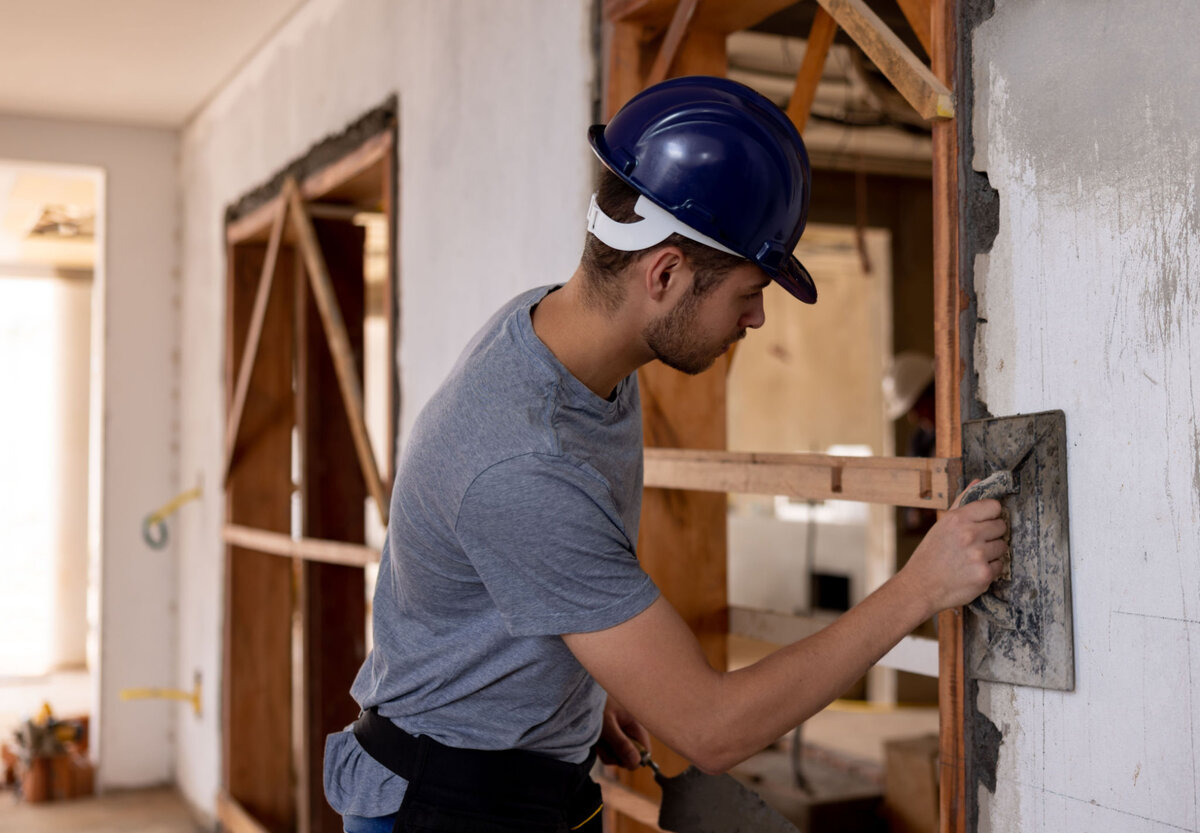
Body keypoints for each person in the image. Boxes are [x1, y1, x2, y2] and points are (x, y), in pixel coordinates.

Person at [323, 76, 1007, 833]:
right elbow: (713, 728)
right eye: (749, 289)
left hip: (527, 776)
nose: (756, 316)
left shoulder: (566, 339)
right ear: (665, 274)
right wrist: (922, 586)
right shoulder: (525, 457)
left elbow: (524, 575)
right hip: (447, 807)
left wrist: (582, 686)